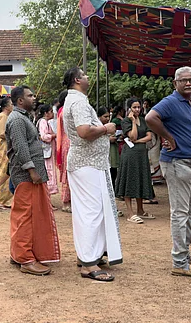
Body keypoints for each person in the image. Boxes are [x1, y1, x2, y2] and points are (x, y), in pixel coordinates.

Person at [146, 67, 191, 277]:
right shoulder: (171, 102)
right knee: (181, 214)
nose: (188, 83)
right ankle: (180, 262)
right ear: (175, 83)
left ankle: (185, 255)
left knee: (190, 213)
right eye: (183, 81)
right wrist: (169, 137)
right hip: (178, 162)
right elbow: (151, 117)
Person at [62, 67, 121, 282]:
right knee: (91, 212)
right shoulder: (78, 102)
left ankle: (89, 255)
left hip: (89, 163)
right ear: (77, 80)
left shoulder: (76, 100)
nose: (88, 77)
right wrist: (106, 128)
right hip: (86, 164)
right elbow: (84, 132)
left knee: (93, 210)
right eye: (85, 74)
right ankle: (88, 264)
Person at [6, 86, 59, 275]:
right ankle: (25, 259)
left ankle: (19, 254)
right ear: (20, 101)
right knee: (25, 217)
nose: (34, 98)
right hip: (26, 176)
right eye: (30, 95)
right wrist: (32, 171)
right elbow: (21, 148)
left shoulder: (23, 117)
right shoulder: (17, 120)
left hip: (30, 175)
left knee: (27, 215)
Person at [115, 98, 156, 224]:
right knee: (129, 181)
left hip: (141, 154)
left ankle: (140, 210)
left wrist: (138, 141)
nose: (137, 109)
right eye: (134, 107)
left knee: (140, 180)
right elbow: (132, 135)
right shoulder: (126, 121)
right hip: (130, 155)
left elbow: (149, 137)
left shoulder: (144, 120)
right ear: (129, 109)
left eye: (138, 107)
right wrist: (133, 122)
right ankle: (130, 213)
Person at [0, 98, 14, 211]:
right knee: (3, 172)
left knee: (7, 172)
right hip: (3, 148)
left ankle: (5, 200)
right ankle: (0, 201)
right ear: (6, 106)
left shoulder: (5, 116)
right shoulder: (3, 116)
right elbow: (2, 133)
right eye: (11, 104)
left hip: (5, 147)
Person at [37, 104, 59, 197]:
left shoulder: (45, 122)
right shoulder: (43, 122)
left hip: (48, 151)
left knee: (49, 173)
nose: (53, 113)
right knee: (48, 173)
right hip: (46, 152)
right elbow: (44, 136)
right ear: (46, 113)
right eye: (50, 111)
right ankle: (46, 198)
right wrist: (54, 135)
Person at [56, 90, 72, 213]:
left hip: (66, 142)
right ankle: (66, 202)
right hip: (69, 143)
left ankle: (67, 201)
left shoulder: (61, 110)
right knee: (68, 173)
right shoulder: (65, 111)